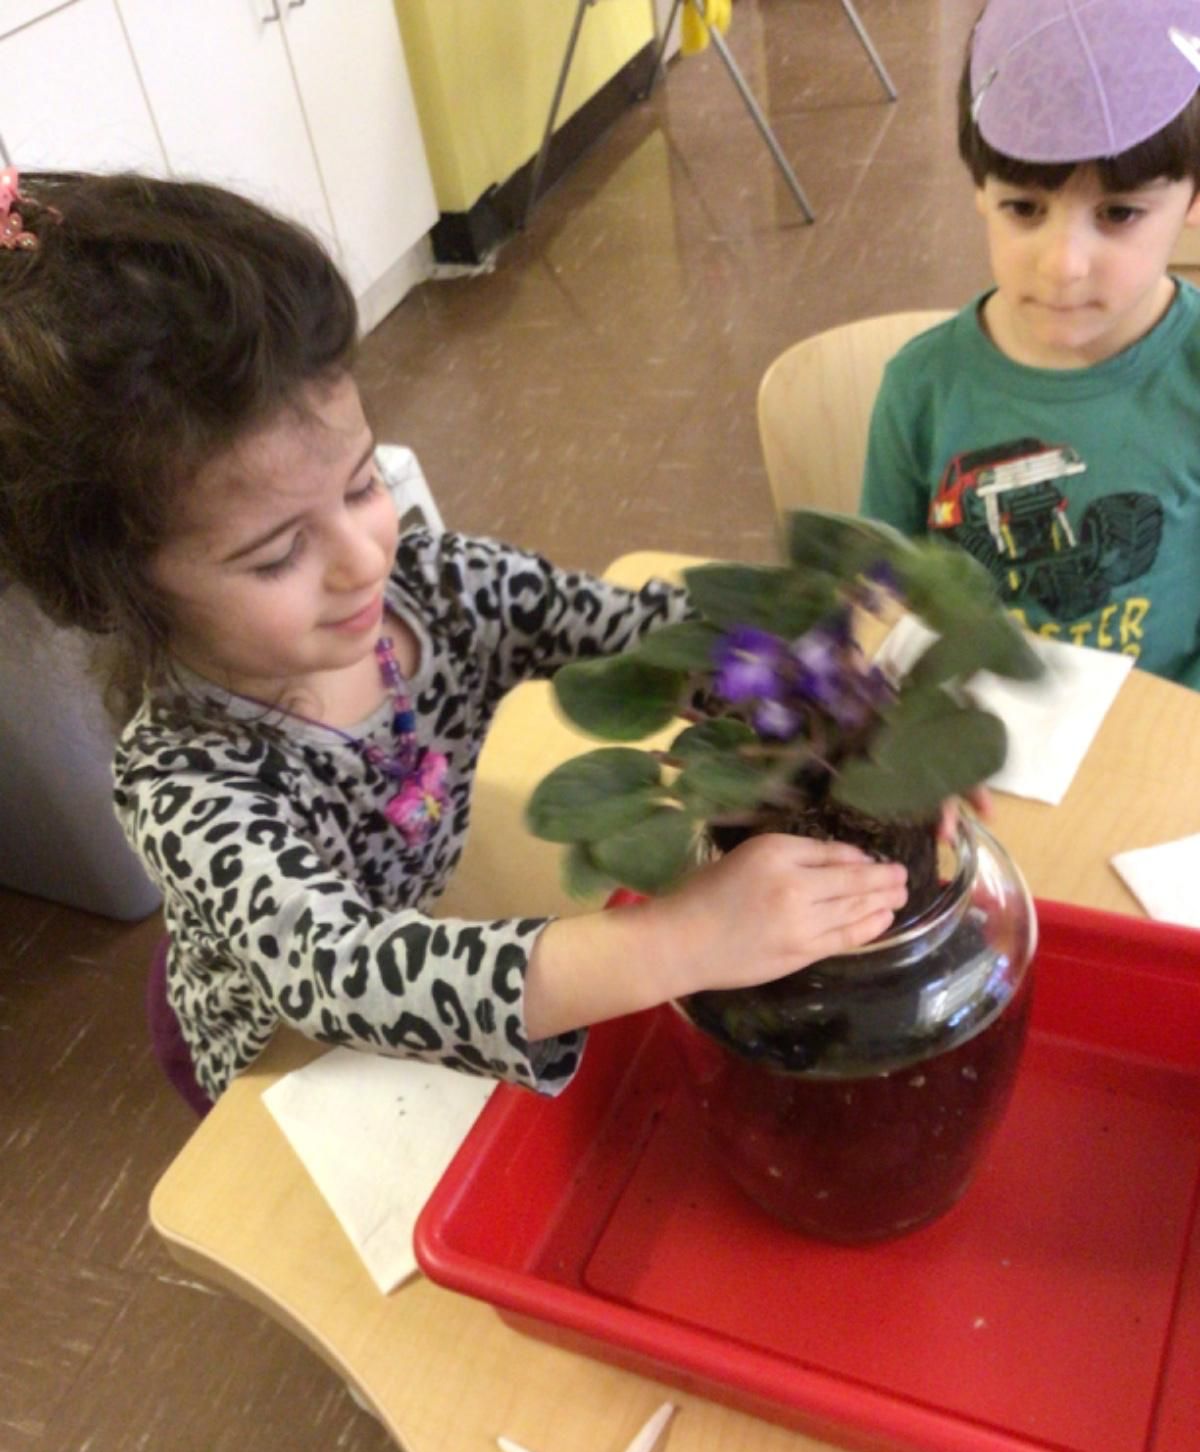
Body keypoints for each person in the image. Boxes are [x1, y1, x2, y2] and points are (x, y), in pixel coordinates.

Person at [0, 170, 908, 1112]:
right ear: (117, 594)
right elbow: (342, 973)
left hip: (429, 943)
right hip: (282, 1051)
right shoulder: (183, 779)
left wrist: (820, 706)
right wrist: (683, 941)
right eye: (277, 555)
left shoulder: (441, 585)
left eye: (360, 484)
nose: (363, 560)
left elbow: (635, 633)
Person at [860, 0, 1200, 687]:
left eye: (1118, 213)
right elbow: (877, 597)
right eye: (1025, 208)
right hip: (964, 748)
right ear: (980, 192)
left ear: (1193, 200)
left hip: (1160, 751)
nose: (1063, 264)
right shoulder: (920, 387)